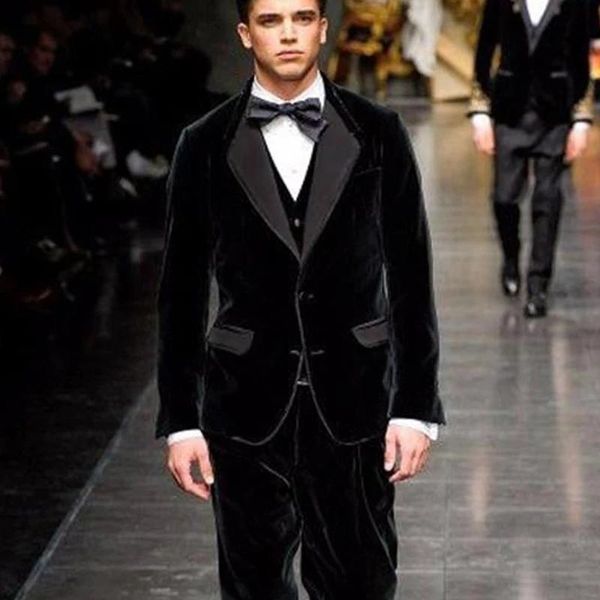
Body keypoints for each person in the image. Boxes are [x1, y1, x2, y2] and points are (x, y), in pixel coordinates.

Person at [156, 0, 445, 598]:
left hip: (355, 399)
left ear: (322, 27)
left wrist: (415, 407)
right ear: (245, 34)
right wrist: (181, 420)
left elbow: (411, 276)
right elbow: (180, 290)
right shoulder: (203, 142)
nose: (288, 33)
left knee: (361, 584)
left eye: (301, 18)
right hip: (243, 403)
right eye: (271, 21)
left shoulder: (378, 131)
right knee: (252, 587)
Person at [469, 0, 594, 318]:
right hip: (509, 111)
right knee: (504, 198)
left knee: (547, 200)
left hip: (555, 113)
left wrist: (581, 120)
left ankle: (538, 284)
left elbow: (582, 59)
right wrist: (480, 113)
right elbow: (484, 51)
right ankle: (511, 257)